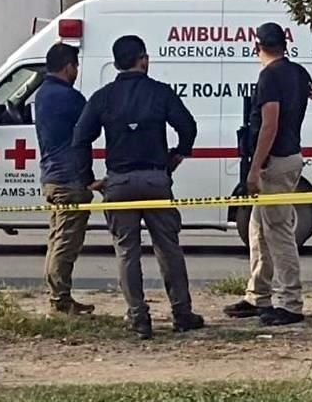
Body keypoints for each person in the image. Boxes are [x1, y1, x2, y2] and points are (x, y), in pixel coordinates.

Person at [72, 35, 203, 340]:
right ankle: (182, 312)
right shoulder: (160, 92)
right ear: (142, 59)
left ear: (117, 63)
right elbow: (188, 125)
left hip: (118, 182)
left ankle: (138, 317)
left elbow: (80, 138)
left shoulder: (103, 97)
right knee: (169, 248)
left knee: (126, 251)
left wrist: (88, 179)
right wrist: (177, 156)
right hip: (155, 179)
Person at [223, 22, 312, 326]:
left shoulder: (269, 76)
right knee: (258, 229)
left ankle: (290, 302)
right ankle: (258, 295)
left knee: (278, 233)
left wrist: (255, 167)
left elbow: (269, 124)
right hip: (291, 155)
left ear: (258, 46)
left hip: (275, 161)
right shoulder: (297, 71)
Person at [36, 42, 98, 315]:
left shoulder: (42, 94)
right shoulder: (68, 97)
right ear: (68, 66)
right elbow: (87, 131)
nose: (77, 71)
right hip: (68, 179)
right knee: (65, 242)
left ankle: (60, 297)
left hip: (53, 175)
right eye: (76, 66)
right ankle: (59, 302)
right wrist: (87, 179)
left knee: (58, 238)